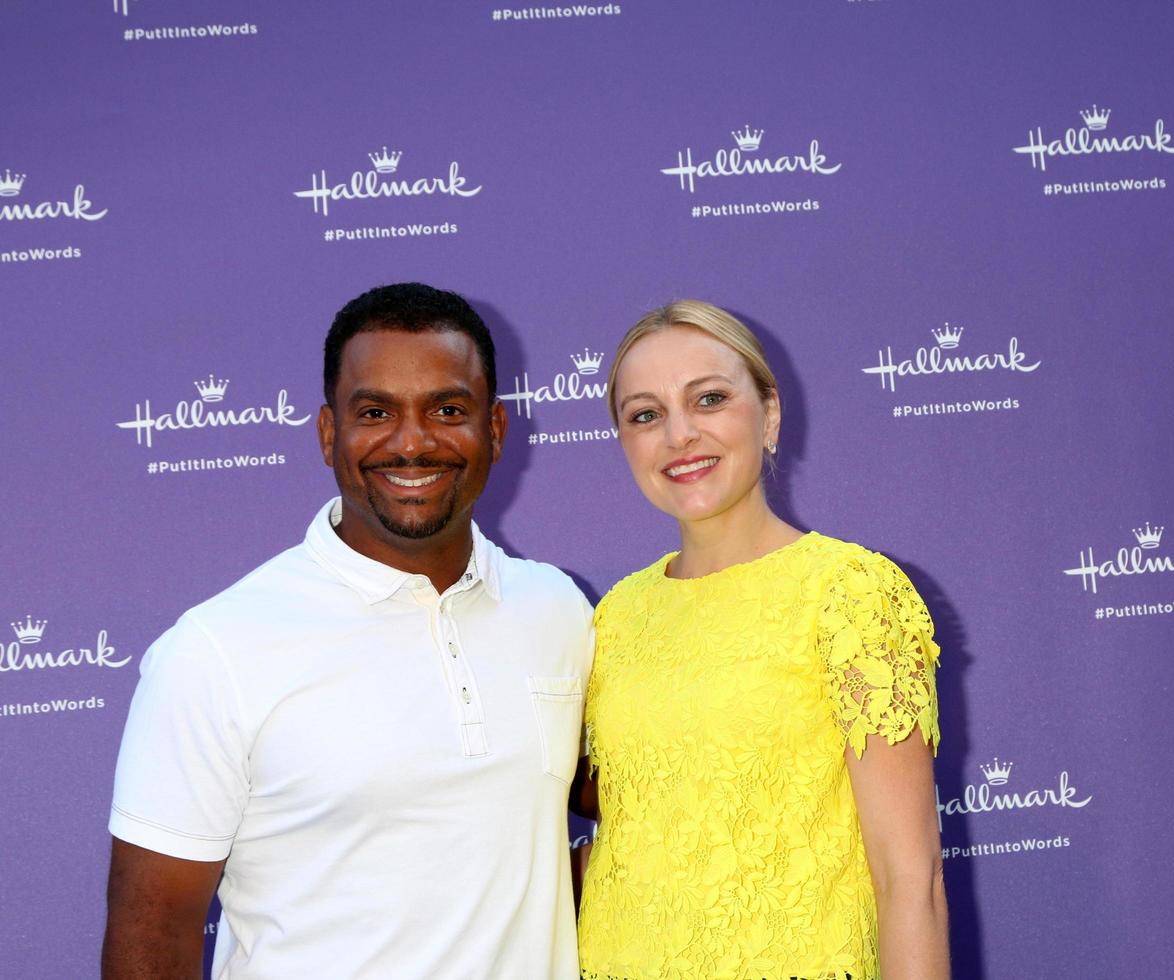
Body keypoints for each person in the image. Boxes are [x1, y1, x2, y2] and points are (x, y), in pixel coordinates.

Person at [102, 283, 593, 979]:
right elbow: (151, 937)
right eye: (376, 412)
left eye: (448, 409)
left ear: (497, 430)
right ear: (330, 434)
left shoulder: (556, 609)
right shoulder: (215, 651)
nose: (414, 442)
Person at [575, 300, 949, 979]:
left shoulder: (853, 592)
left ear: (769, 414)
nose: (679, 435)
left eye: (709, 399)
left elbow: (909, 878)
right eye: (646, 414)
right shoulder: (616, 616)